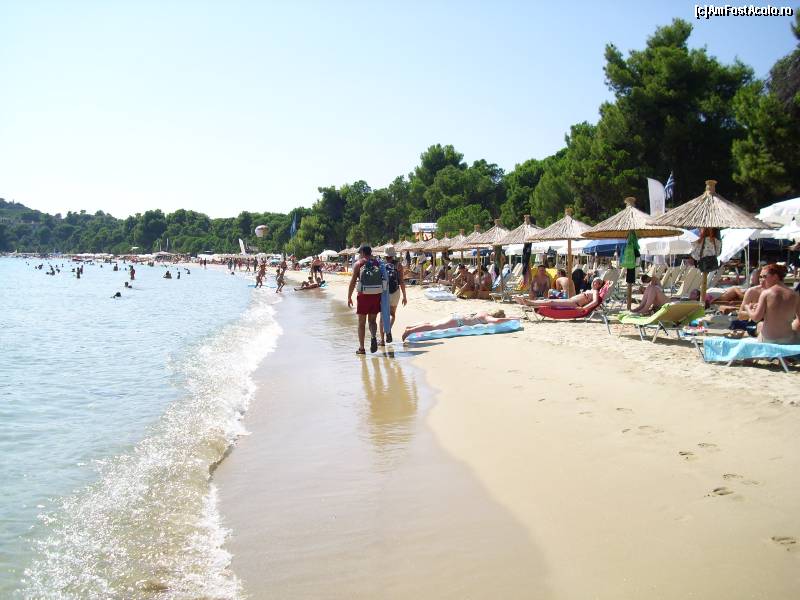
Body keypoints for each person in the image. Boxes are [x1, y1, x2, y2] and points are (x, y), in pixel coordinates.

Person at [742, 263, 800, 344]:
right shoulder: (795, 295)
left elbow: (756, 318)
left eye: (764, 277)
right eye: (760, 277)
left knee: (760, 326)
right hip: (787, 339)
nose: (762, 280)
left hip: (768, 340)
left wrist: (748, 308)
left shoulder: (766, 293)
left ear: (775, 276)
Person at [348, 245, 386, 354]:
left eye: (360, 253)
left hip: (363, 296)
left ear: (363, 253)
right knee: (372, 321)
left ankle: (362, 348)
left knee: (361, 323)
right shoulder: (378, 263)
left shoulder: (358, 264)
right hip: (376, 295)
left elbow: (353, 282)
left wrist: (349, 296)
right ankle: (373, 336)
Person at [402, 309, 515, 341]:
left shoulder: (483, 312)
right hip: (458, 322)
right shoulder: (486, 317)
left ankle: (411, 327)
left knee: (432, 323)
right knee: (433, 327)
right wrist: (510, 319)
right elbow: (496, 321)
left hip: (456, 317)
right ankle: (410, 331)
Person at [516, 277, 604, 309]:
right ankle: (529, 302)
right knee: (548, 300)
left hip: (575, 303)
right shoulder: (589, 290)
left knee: (551, 302)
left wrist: (584, 308)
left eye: (599, 283)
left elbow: (595, 302)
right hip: (571, 300)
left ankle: (529, 302)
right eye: (595, 281)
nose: (596, 283)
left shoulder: (595, 291)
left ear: (600, 286)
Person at [379, 246, 407, 346]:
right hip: (395, 292)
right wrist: (404, 296)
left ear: (385, 255)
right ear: (393, 255)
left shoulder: (381, 265)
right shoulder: (399, 265)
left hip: (384, 292)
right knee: (392, 315)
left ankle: (382, 340)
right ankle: (388, 331)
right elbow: (402, 282)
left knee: (382, 317)